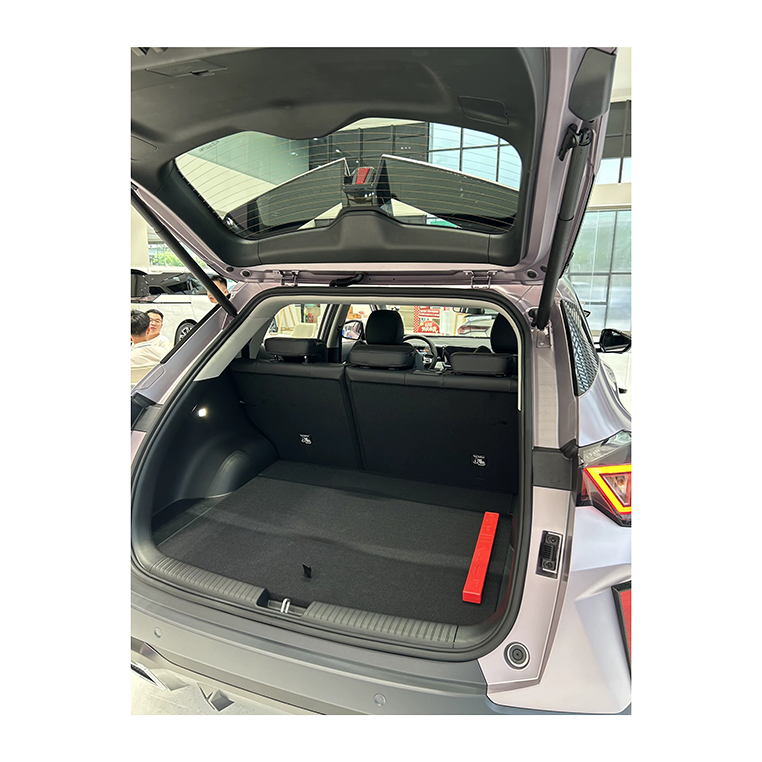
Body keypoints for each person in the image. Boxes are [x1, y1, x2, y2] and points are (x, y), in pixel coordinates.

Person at [131, 309, 170, 385]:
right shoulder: (161, 352)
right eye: (150, 320)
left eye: (157, 321)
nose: (153, 324)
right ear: (147, 329)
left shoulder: (164, 343)